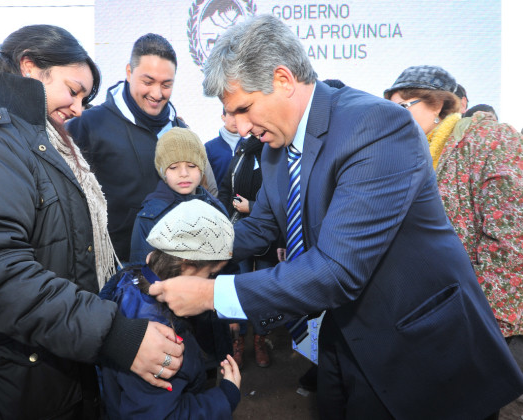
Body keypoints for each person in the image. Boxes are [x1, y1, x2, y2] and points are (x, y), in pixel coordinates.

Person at [149, 14, 523, 419]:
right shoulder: (276, 151)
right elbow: (264, 225)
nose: (238, 128)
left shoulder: (375, 126)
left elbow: (335, 270)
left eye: (243, 108)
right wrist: (190, 253)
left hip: (424, 351)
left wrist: (210, 294)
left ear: (283, 80)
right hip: (343, 336)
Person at [0, 25, 184, 419]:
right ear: (31, 66)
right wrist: (114, 335)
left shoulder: (32, 137)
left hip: (46, 360)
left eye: (86, 97)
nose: (80, 108)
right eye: (74, 90)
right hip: (5, 379)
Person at [384, 65, 523, 374]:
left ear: (436, 103)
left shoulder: (490, 142)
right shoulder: (417, 151)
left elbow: (511, 241)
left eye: (402, 108)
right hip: (439, 312)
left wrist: (486, 324)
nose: (394, 118)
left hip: (486, 319)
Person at [67, 33, 217, 263]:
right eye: (148, 82)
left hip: (176, 265)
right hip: (115, 266)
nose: (157, 94)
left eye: (166, 85)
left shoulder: (180, 130)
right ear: (129, 72)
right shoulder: (87, 125)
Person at [99, 199, 240, 419]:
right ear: (187, 265)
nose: (211, 282)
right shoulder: (162, 339)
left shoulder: (131, 281)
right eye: (211, 274)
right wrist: (225, 397)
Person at [217, 135, 277, 369]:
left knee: (264, 290)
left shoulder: (275, 156)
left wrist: (251, 207)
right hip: (237, 233)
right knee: (237, 289)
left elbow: (279, 199)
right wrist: (223, 216)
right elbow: (224, 189)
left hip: (268, 236)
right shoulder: (241, 154)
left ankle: (260, 339)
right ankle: (238, 341)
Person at [129, 127, 226, 265]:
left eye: (192, 165)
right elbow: (140, 270)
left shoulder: (216, 208)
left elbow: (229, 266)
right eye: (174, 167)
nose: (184, 173)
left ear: (202, 167)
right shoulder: (150, 216)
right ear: (163, 172)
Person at [205, 108, 244, 187]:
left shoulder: (249, 146)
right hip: (217, 198)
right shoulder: (209, 147)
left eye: (239, 116)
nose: (236, 120)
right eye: (232, 115)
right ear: (223, 117)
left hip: (245, 199)